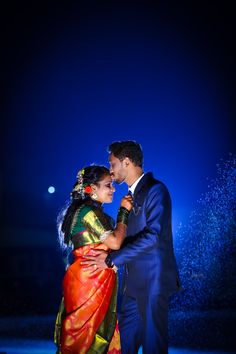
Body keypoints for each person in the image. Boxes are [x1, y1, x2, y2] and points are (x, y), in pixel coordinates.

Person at [81, 141, 180, 354]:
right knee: (124, 345)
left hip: (153, 282)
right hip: (132, 284)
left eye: (113, 164)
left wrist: (111, 260)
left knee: (153, 345)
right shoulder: (128, 197)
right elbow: (126, 237)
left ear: (127, 162)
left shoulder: (156, 190)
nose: (110, 170)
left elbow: (153, 237)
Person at [54, 165, 133, 354]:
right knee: (85, 338)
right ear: (92, 188)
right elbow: (114, 242)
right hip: (90, 281)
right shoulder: (87, 211)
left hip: (88, 278)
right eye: (108, 185)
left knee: (85, 336)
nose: (113, 189)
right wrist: (124, 211)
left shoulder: (84, 211)